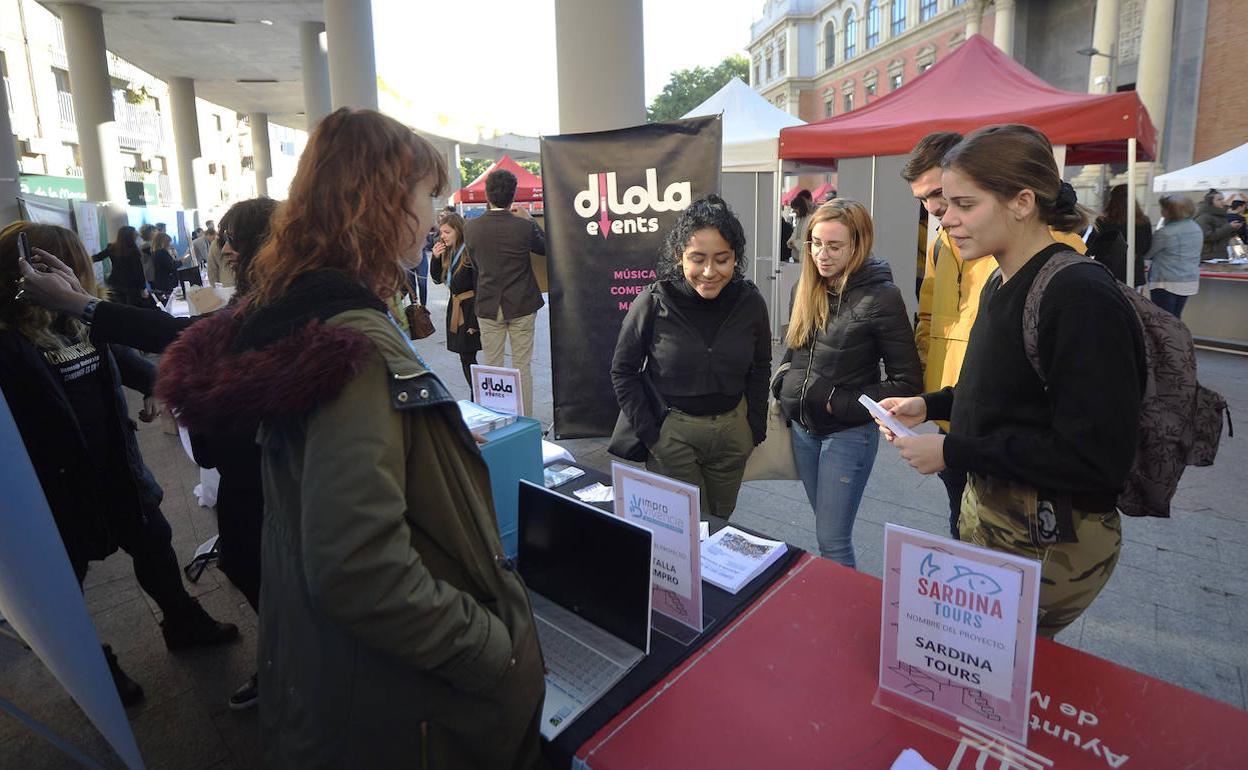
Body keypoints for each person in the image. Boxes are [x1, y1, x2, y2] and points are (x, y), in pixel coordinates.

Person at [160, 108, 544, 768]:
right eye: (427, 196)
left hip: (331, 682)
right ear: (380, 201)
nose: (433, 217)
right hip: (389, 711)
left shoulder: (299, 317)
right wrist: (495, 652)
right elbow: (360, 568)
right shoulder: (351, 348)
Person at [878, 124, 1145, 637]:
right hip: (1001, 525)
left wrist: (953, 453)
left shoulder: (1078, 296)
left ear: (1022, 202)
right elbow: (1005, 391)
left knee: (1006, 680)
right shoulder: (1003, 277)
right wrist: (929, 403)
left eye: (962, 204)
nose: (945, 220)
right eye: (942, 204)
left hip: (1047, 542)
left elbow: (1095, 457)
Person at [0, 222, 239, 706]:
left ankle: (182, 621)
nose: (70, 277)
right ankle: (93, 663)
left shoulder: (75, 319)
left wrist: (158, 386)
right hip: (53, 484)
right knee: (65, 577)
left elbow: (123, 357)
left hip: (116, 462)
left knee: (154, 542)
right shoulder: (7, 339)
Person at [776, 199, 922, 568]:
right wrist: (782, 382)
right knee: (826, 530)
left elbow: (906, 382)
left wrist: (834, 401)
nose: (821, 255)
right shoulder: (805, 287)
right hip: (802, 431)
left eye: (834, 246)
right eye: (816, 243)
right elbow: (794, 349)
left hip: (847, 436)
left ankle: (843, 617)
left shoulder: (881, 297)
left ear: (858, 245)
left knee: (832, 540)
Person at [611, 195, 771, 519]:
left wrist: (753, 428)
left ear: (735, 257)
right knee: (683, 527)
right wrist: (652, 435)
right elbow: (623, 370)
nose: (709, 272)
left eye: (722, 259)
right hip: (673, 434)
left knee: (721, 522)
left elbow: (761, 366)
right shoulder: (654, 301)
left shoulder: (750, 301)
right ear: (678, 255)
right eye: (697, 259)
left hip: (732, 435)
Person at [464, 168, 547, 417]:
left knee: (492, 367)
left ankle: (496, 419)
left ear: (487, 195)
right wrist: (530, 219)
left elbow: (477, 265)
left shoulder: (471, 228)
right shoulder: (523, 227)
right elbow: (545, 248)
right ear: (514, 196)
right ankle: (526, 422)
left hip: (489, 304)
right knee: (523, 367)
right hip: (522, 302)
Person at [429, 211, 480, 385]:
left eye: (447, 232)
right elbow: (436, 280)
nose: (442, 236)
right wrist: (435, 259)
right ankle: (476, 392)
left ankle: (478, 393)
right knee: (465, 356)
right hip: (456, 305)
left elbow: (478, 283)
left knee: (468, 354)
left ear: (458, 231)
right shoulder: (448, 252)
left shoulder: (468, 251)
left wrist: (475, 319)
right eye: (441, 232)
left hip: (470, 307)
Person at [1145, 194, 1204, 319]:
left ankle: (1167, 339)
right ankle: (1178, 339)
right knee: (1176, 318)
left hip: (1165, 281)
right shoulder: (1196, 227)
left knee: (1163, 320)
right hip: (1189, 279)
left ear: (1169, 211)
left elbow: (1149, 253)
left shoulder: (1165, 233)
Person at [1087, 184, 1149, 286]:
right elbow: (1146, 247)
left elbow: (1093, 246)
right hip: (1135, 269)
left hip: (1111, 270)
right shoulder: (1143, 221)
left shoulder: (1104, 221)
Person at [93, 225, 149, 307]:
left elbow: (98, 257)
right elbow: (138, 271)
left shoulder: (112, 248)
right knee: (132, 309)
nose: (137, 236)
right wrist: (143, 287)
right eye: (135, 234)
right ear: (130, 236)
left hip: (115, 282)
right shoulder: (133, 251)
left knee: (120, 308)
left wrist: (83, 258)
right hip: (131, 286)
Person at [1195, 189, 1241, 262]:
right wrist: (1229, 227)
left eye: (1223, 199)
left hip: (1220, 255)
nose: (1222, 201)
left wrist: (1234, 228)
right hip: (1208, 257)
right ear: (1210, 202)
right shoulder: (1204, 217)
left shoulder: (1221, 215)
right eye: (1219, 199)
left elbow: (1223, 235)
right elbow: (1207, 237)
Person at [149, 231, 179, 303]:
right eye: (169, 242)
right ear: (164, 242)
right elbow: (171, 266)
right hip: (166, 283)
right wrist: (181, 262)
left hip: (160, 281)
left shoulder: (154, 252)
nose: (170, 244)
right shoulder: (162, 252)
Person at [786, 190, 813, 263]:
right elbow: (794, 234)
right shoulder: (799, 220)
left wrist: (794, 243)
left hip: (805, 257)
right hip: (796, 256)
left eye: (795, 208)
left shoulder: (810, 219)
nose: (794, 211)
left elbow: (807, 241)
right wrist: (790, 242)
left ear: (801, 208)